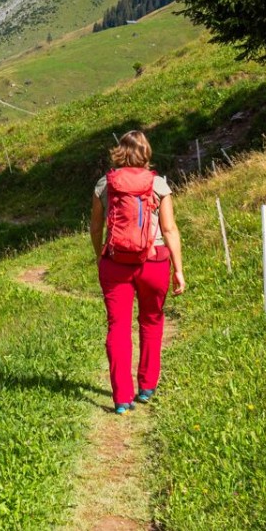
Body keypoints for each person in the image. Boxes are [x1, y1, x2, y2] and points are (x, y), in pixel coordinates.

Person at [89, 130, 185, 412]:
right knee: (151, 320)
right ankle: (146, 386)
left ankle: (121, 397)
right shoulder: (159, 184)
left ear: (120, 153)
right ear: (146, 153)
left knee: (118, 327)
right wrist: (178, 269)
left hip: (116, 262)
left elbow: (96, 227)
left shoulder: (104, 184)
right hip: (154, 262)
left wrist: (100, 255)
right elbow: (169, 229)